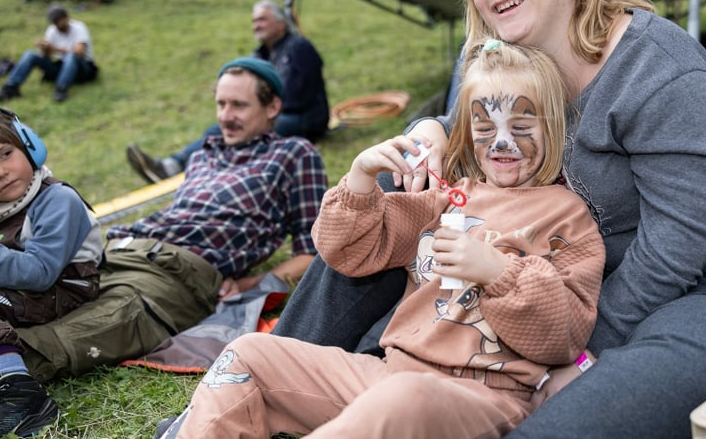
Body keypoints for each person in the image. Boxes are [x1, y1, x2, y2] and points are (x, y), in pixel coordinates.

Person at [270, 0, 706, 437]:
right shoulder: (502, 55)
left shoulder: (659, 70)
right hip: (508, 274)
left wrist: (578, 349)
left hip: (671, 292)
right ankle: (266, 387)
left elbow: (681, 244)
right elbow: (470, 131)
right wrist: (428, 130)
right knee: (395, 185)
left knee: (676, 366)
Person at [155, 39, 606, 439]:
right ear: (467, 133)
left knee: (407, 398)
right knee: (248, 354)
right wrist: (361, 179)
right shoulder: (449, 198)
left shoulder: (569, 217)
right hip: (386, 375)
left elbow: (563, 336)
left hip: (482, 399)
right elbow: (349, 250)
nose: (502, 143)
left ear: (555, 128)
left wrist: (497, 271)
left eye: (522, 128)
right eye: (485, 129)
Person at [106, 57, 327, 300]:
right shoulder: (201, 157)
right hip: (121, 245)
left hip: (173, 269)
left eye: (238, 105)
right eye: (221, 104)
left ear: (272, 107)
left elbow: (313, 253)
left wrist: (249, 285)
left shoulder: (294, 154)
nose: (225, 116)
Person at [0, 104, 103, 438]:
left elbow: (40, 272)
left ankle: (18, 390)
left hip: (57, 292)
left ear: (30, 145)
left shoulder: (57, 199)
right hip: (6, 293)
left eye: (6, 153)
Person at [126, 0, 330, 183]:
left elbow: (299, 97)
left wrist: (258, 110)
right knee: (218, 129)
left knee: (248, 127)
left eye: (262, 20)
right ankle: (171, 165)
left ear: (281, 23)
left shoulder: (300, 48)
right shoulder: (259, 55)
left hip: (304, 117)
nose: (256, 25)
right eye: (253, 22)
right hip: (273, 112)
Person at [0, 5, 97, 103]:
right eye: (54, 21)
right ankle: (10, 88)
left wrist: (54, 48)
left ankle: (61, 89)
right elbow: (47, 57)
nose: (56, 24)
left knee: (71, 56)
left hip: (83, 69)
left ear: (66, 18)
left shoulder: (79, 27)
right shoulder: (52, 30)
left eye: (58, 20)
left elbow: (79, 52)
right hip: (62, 67)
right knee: (30, 54)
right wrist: (45, 48)